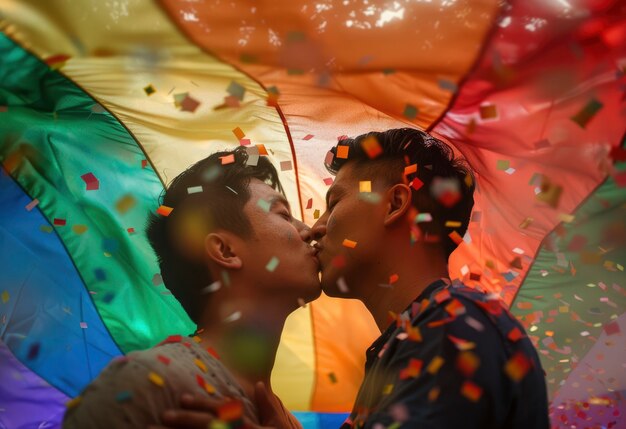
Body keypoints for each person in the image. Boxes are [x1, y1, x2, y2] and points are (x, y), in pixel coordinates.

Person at [161, 128, 549, 429]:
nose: (315, 228)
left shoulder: (453, 327)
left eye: (334, 203)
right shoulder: (414, 338)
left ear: (395, 204)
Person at [62, 146, 320, 428]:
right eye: (283, 214)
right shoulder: (146, 383)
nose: (309, 231)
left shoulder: (288, 423)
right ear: (225, 250)